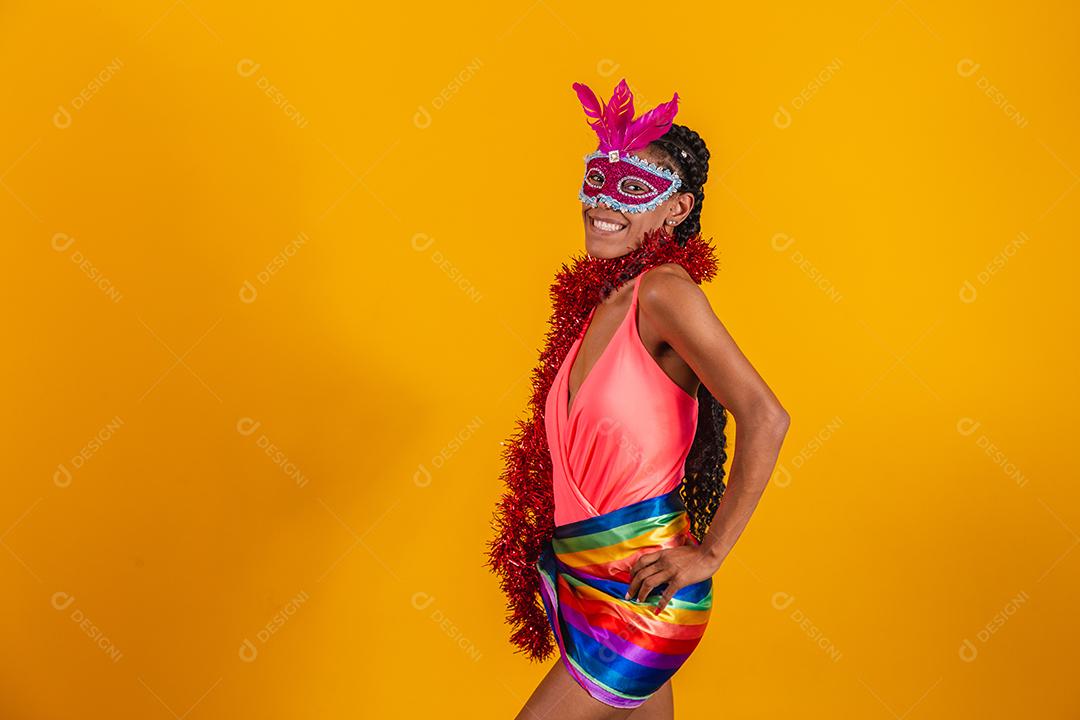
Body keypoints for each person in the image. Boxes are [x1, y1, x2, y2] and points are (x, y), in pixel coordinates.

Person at [486, 79, 790, 720]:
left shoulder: (664, 293)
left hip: (640, 594)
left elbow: (767, 415)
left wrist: (708, 555)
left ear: (675, 210)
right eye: (597, 179)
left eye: (632, 187)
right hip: (584, 581)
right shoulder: (599, 305)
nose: (602, 201)